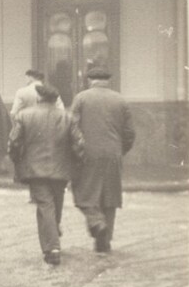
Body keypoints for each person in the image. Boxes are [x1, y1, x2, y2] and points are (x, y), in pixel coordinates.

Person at [8, 83, 84, 265]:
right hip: (61, 169)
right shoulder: (67, 117)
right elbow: (79, 143)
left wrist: (17, 160)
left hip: (35, 170)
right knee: (55, 204)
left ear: (39, 99)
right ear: (55, 100)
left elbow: (14, 142)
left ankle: (52, 247)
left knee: (45, 205)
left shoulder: (24, 115)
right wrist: (77, 163)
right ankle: (53, 235)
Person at [70, 68, 135, 253]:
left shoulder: (81, 98)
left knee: (83, 193)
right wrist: (120, 150)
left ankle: (97, 223)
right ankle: (104, 243)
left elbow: (72, 127)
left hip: (88, 154)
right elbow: (130, 133)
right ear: (108, 80)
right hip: (114, 154)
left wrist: (77, 150)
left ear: (90, 80)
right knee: (110, 197)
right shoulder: (120, 100)